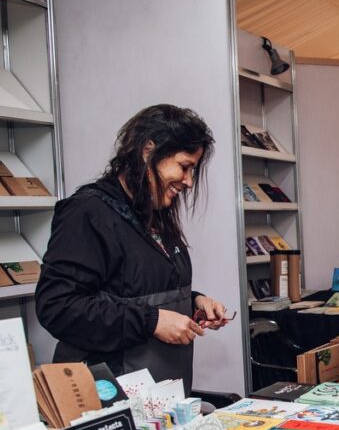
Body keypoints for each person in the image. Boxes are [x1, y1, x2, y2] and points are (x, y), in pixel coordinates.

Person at [36, 104, 228, 393]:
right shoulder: (87, 212)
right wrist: (152, 322)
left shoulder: (154, 213)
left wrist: (193, 302)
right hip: (109, 398)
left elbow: (133, 289)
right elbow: (58, 306)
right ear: (148, 150)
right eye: (185, 166)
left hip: (161, 401)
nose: (189, 181)